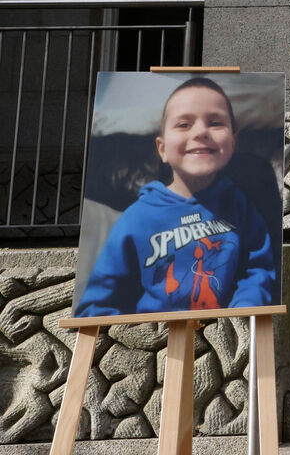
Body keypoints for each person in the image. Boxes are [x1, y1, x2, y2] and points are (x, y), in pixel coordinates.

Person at [75, 77, 276, 316]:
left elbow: (258, 270)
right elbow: (96, 304)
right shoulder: (137, 218)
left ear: (232, 142)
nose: (201, 131)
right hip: (156, 341)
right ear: (162, 149)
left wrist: (243, 313)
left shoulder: (240, 205)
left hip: (224, 335)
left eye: (215, 123)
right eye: (183, 125)